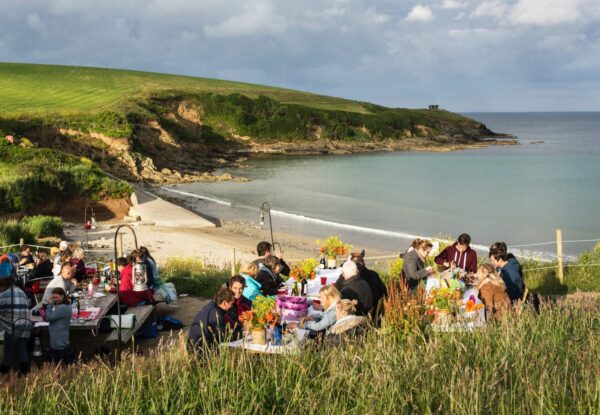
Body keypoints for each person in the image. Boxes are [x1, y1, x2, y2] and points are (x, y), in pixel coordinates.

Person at [0, 256, 32, 375]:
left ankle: (3, 374)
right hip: (26, 324)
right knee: (22, 350)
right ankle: (25, 374)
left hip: (13, 327)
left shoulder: (3, 295)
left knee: (8, 353)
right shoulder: (20, 291)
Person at [350, 251, 387, 320]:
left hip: (362, 316)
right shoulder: (374, 274)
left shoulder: (354, 280)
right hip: (376, 311)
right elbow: (384, 292)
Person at [45, 287, 72, 364]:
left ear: (63, 296)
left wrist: (49, 305)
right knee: (65, 363)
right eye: (53, 297)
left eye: (57, 297)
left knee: (59, 364)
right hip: (62, 340)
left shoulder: (62, 307)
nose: (55, 299)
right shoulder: (66, 305)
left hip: (58, 342)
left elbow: (49, 318)